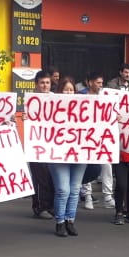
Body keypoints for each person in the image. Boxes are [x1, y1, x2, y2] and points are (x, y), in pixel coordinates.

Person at [48, 77, 87, 236]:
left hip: (79, 154)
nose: (69, 92)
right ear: (59, 91)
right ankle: (60, 222)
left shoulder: (85, 109)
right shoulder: (50, 108)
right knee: (63, 189)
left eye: (71, 90)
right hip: (58, 155)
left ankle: (70, 220)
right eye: (66, 89)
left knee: (75, 189)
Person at [79, 71, 115, 211]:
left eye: (101, 83)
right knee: (86, 166)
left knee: (107, 165)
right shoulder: (80, 96)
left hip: (102, 137)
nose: (101, 85)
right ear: (90, 82)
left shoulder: (106, 96)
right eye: (98, 83)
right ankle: (87, 196)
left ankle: (107, 196)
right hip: (85, 137)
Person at [29, 70, 56, 219]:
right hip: (36, 143)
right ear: (36, 84)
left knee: (52, 176)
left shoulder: (55, 98)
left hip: (53, 143)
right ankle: (40, 207)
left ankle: (50, 205)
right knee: (40, 177)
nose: (45, 85)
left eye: (47, 82)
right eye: (42, 83)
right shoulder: (30, 99)